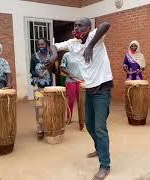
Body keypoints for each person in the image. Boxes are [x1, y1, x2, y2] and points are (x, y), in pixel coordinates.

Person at [53, 17, 112, 180]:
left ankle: (105, 165)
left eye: (80, 25)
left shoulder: (95, 36)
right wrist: (52, 57)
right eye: (75, 25)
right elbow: (55, 46)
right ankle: (100, 148)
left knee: (100, 127)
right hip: (89, 89)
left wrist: (90, 47)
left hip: (103, 88)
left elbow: (106, 24)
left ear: (88, 27)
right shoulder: (72, 43)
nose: (76, 28)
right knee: (90, 125)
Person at [30, 38, 57, 139]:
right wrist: (38, 74)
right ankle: (40, 129)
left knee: (48, 108)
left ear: (47, 45)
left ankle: (48, 127)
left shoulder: (51, 57)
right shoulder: (34, 57)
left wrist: (53, 64)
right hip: (37, 86)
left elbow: (55, 72)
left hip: (48, 87)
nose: (40, 46)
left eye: (42, 44)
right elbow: (31, 70)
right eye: (39, 45)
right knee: (39, 109)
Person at [60, 52, 84, 123]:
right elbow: (62, 67)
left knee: (81, 101)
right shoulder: (66, 55)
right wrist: (69, 74)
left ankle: (82, 119)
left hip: (81, 81)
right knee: (71, 101)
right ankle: (69, 118)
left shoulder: (82, 54)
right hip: (70, 81)